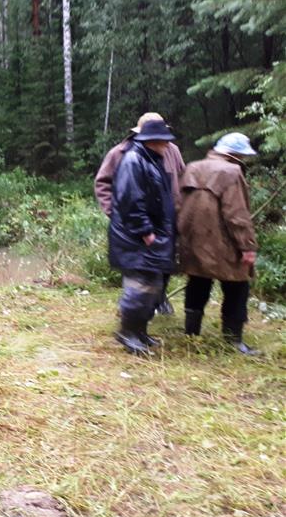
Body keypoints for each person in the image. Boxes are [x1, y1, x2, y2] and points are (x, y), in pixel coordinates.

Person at [95, 112, 185, 315]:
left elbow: (182, 177)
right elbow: (103, 183)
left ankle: (159, 298)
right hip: (138, 222)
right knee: (139, 268)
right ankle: (132, 312)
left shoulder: (173, 150)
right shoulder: (121, 153)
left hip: (168, 219)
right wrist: (116, 212)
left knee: (165, 262)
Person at [178, 133, 261, 355]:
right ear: (236, 155)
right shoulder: (232, 172)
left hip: (192, 239)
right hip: (224, 242)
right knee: (237, 286)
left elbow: (178, 203)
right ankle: (234, 340)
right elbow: (236, 214)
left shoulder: (193, 167)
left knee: (197, 282)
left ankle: (191, 334)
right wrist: (247, 246)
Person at [107, 118, 177, 355]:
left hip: (146, 236)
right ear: (153, 141)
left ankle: (140, 332)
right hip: (135, 238)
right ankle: (128, 333)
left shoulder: (150, 159)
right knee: (139, 287)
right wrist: (146, 232)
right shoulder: (134, 160)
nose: (168, 145)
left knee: (153, 285)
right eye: (164, 141)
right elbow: (131, 201)